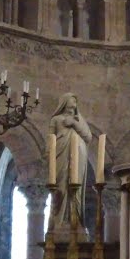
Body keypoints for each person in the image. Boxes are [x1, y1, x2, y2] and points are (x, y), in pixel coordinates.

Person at [47, 92, 93, 230]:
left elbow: (88, 136)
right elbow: (50, 139)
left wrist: (74, 123)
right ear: (64, 102)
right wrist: (48, 153)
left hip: (78, 155)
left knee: (75, 187)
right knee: (60, 186)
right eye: (72, 99)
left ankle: (75, 221)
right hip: (61, 153)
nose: (74, 102)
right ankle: (59, 222)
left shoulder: (79, 119)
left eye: (75, 100)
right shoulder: (56, 119)